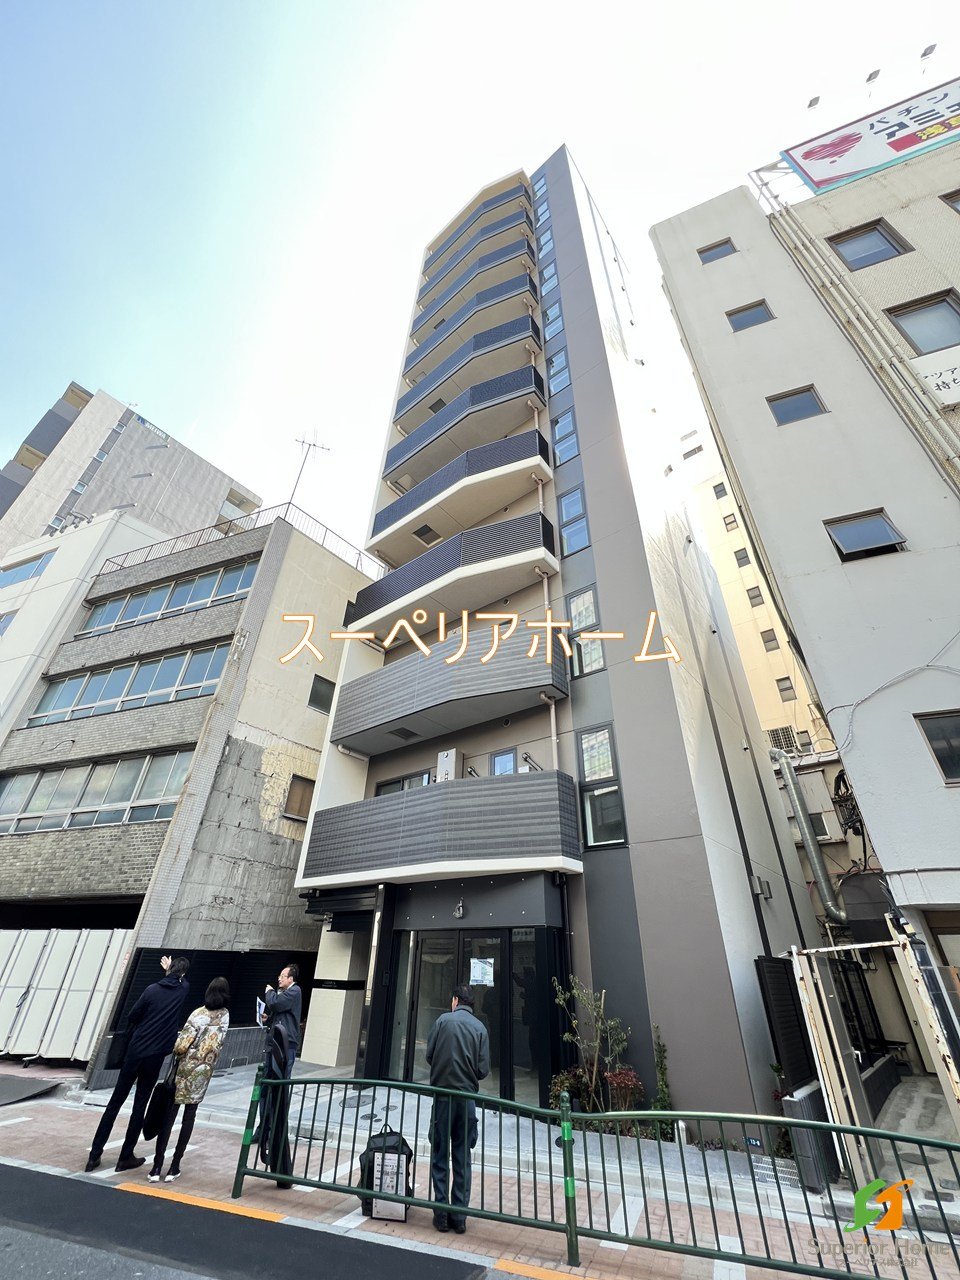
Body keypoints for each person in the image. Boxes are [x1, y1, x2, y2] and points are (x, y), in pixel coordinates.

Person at [86, 955, 190, 1173]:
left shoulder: (151, 990)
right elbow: (181, 982)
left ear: (169, 969)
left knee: (115, 1103)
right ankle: (125, 1156)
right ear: (183, 974)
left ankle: (94, 1154)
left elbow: (133, 1015)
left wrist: (167, 972)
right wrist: (171, 972)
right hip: (155, 1056)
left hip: (135, 1051)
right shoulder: (182, 991)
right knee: (140, 1104)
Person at [149, 977, 230, 1183]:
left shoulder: (198, 1014)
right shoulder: (225, 1016)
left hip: (184, 1071)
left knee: (169, 1116)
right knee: (189, 1117)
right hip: (203, 1073)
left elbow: (181, 1046)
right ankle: (175, 1165)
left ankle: (157, 1166)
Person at [426, 984, 490, 1235]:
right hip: (466, 1100)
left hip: (442, 1097)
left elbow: (429, 1055)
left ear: (455, 1000)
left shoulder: (442, 1021)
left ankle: (441, 1215)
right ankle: (459, 1217)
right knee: (462, 1157)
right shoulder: (480, 1028)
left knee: (440, 1154)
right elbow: (483, 1070)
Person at [261, 963, 302, 1079]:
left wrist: (269, 992)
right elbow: (280, 1015)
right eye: (279, 976)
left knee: (280, 1078)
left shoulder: (295, 991)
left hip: (285, 1042)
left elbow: (275, 1004)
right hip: (275, 1041)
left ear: (290, 979)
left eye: (283, 976)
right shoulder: (284, 993)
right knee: (268, 1075)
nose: (279, 979)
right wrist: (268, 1019)